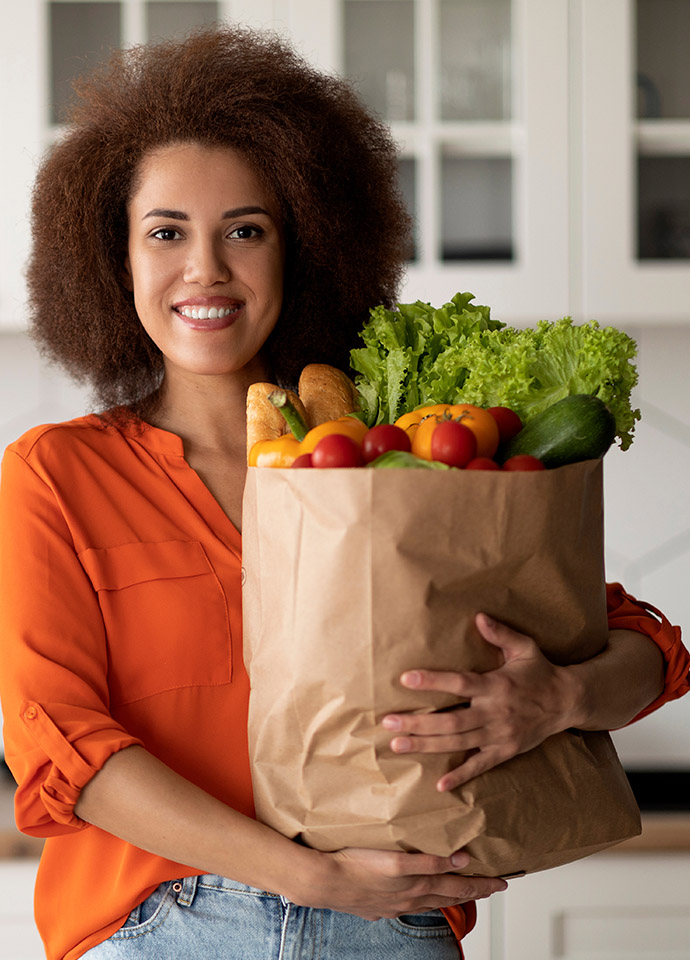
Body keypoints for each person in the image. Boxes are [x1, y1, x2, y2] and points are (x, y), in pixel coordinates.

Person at [0, 24, 687, 960]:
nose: (205, 270)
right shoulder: (58, 476)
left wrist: (557, 698)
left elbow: (642, 641)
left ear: (304, 249)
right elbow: (64, 749)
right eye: (166, 233)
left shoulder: (390, 461)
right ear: (113, 260)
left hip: (392, 927)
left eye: (247, 230)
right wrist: (308, 877)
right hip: (161, 926)